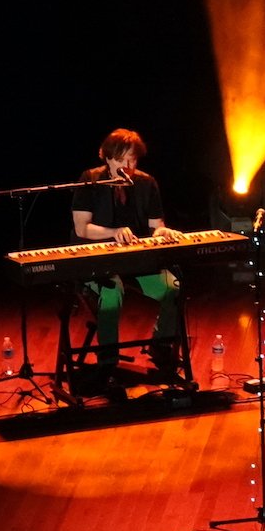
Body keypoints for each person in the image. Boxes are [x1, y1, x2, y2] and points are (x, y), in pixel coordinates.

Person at [70, 128, 185, 387]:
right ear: (107, 158)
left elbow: (156, 225)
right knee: (112, 292)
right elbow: (82, 228)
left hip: (135, 260)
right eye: (121, 160)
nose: (127, 166)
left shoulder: (146, 182)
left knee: (173, 288)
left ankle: (160, 346)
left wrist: (162, 231)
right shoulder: (90, 180)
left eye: (132, 160)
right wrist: (114, 232)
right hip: (96, 259)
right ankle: (107, 362)